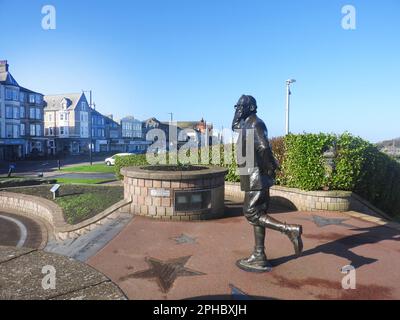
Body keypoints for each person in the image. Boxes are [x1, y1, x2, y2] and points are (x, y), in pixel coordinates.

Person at [232, 94, 303, 272]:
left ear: (251, 107)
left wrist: (268, 168)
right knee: (259, 216)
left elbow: (264, 147)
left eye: (242, 106)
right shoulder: (246, 123)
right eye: (237, 107)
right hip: (251, 175)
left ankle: (289, 230)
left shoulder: (256, 123)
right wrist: (238, 112)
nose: (238, 109)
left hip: (257, 176)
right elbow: (234, 126)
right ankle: (259, 255)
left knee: (251, 213)